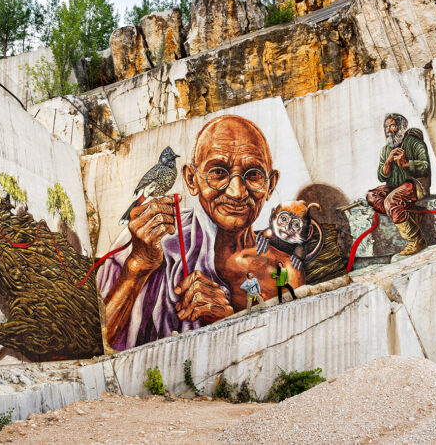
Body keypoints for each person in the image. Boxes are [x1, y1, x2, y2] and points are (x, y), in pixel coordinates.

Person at [97, 115, 306, 350]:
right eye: (218, 172)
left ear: (270, 184)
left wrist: (226, 323)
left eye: (253, 175)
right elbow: (95, 347)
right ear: (192, 179)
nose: (237, 192)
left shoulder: (284, 272)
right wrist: (137, 267)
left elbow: (289, 351)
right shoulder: (150, 240)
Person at [366, 113, 431, 256]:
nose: (388, 130)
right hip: (395, 187)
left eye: (392, 126)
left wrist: (406, 164)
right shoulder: (385, 150)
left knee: (391, 201)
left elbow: (425, 166)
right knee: (371, 195)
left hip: (415, 185)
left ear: (401, 127)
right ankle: (401, 211)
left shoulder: (414, 143)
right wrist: (388, 162)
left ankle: (416, 239)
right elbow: (381, 176)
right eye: (386, 127)